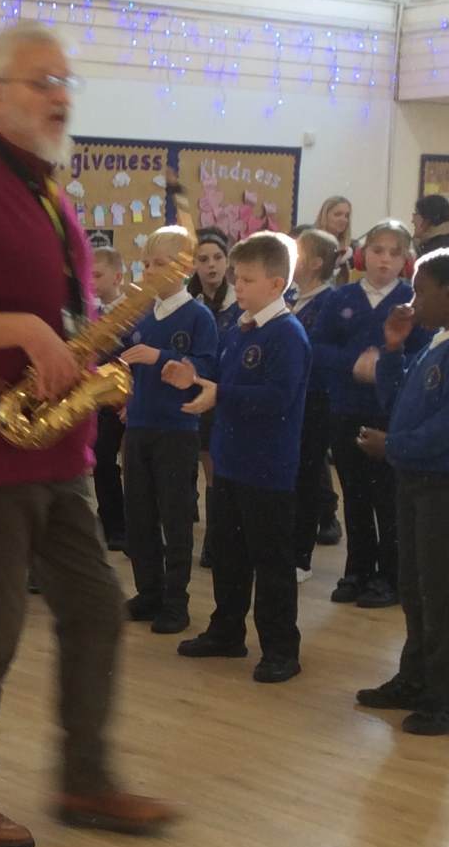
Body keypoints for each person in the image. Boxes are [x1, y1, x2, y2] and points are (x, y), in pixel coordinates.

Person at [0, 20, 174, 847]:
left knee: (96, 611)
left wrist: (81, 353)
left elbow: (54, 313)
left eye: (64, 82)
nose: (59, 96)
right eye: (41, 81)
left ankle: (85, 778)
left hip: (56, 449)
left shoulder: (46, 189)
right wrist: (24, 330)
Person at [355, 249, 449, 735]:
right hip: (416, 477)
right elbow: (397, 403)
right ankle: (416, 678)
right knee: (415, 586)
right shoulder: (438, 343)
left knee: (439, 591)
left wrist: (392, 446)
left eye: (420, 291)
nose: (412, 302)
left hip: (445, 483)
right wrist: (394, 349)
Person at [176, 232, 309, 682]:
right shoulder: (239, 328)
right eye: (238, 277)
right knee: (229, 554)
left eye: (248, 280)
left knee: (270, 561)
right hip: (229, 463)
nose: (238, 286)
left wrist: (221, 394)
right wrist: (193, 377)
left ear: (276, 284)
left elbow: (278, 398)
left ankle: (281, 649)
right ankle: (227, 631)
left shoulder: (287, 334)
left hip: (267, 468)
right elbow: (220, 377)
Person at [314, 219, 422, 610]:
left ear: (406, 260)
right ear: (362, 254)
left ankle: (389, 576)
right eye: (377, 251)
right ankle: (357, 570)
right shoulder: (339, 298)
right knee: (355, 494)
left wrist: (388, 364)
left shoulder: (413, 300)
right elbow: (317, 347)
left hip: (392, 415)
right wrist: (352, 363)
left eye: (395, 253)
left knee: (388, 497)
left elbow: (423, 354)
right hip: (346, 409)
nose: (384, 260)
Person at [119, 225, 217, 634]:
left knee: (175, 518)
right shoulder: (141, 313)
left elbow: (206, 368)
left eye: (158, 264)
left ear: (182, 268)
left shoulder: (198, 316)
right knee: (138, 515)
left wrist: (160, 357)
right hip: (138, 426)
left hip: (177, 429)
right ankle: (149, 592)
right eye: (145, 264)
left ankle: (176, 602)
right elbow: (123, 363)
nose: (148, 271)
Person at [289, 227, 343, 579]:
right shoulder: (292, 297)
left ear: (316, 263)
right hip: (292, 399)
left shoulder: (329, 302)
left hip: (317, 399)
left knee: (307, 476)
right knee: (291, 475)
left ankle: (300, 556)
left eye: (298, 253)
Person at [187, 228, 235, 565]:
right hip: (197, 394)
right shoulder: (190, 303)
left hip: (228, 394)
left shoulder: (239, 302)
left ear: (227, 261)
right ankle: (210, 538)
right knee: (204, 466)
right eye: (203, 259)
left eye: (217, 258)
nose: (211, 265)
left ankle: (220, 539)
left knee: (221, 470)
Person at [88, 246, 130, 550]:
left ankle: (124, 526)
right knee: (101, 460)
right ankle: (110, 521)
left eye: (97, 275)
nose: (91, 282)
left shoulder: (133, 313)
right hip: (100, 401)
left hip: (125, 402)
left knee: (125, 465)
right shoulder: (93, 314)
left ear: (117, 277)